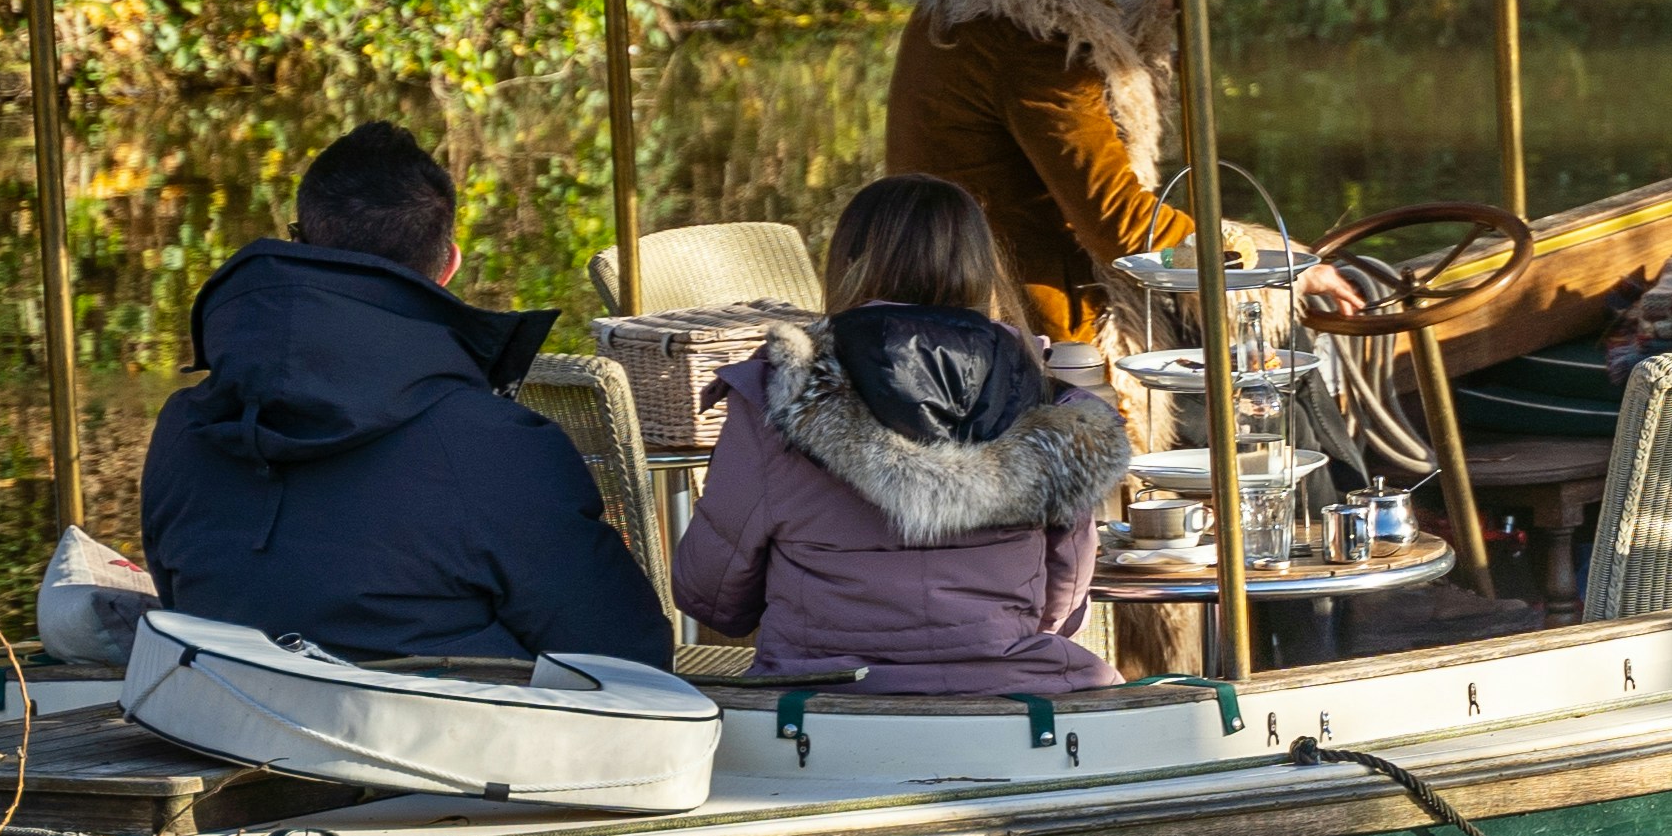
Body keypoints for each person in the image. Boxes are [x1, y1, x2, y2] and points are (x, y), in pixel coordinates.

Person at [139, 120, 669, 664]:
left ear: (300, 245)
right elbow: (630, 659)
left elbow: (181, 599)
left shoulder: (185, 426)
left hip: (228, 730)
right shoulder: (496, 446)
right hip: (444, 741)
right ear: (449, 265)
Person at [673, 173, 1129, 697]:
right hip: (1009, 699)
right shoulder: (1051, 406)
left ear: (848, 263)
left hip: (822, 703)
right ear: (982, 268)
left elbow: (710, 594)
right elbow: (1063, 602)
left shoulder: (778, 395)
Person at [878, 0, 1192, 342]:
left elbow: (1101, 107)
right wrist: (1266, 259)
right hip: (1025, 339)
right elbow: (1121, 227)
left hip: (951, 308)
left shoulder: (967, 3)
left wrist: (1156, 13)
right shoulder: (1027, 34)